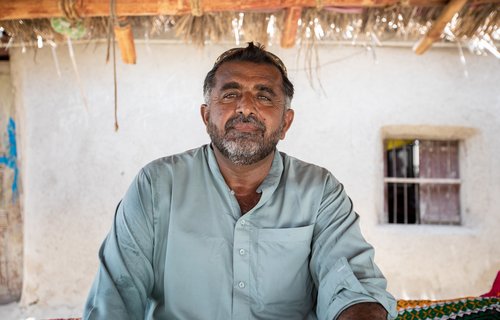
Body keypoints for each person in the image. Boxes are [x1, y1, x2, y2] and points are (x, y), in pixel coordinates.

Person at [84, 42, 397, 320]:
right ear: (207, 116)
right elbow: (117, 297)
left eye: (263, 96)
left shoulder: (320, 191)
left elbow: (351, 286)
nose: (246, 107)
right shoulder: (156, 185)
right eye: (231, 94)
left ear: (286, 122)